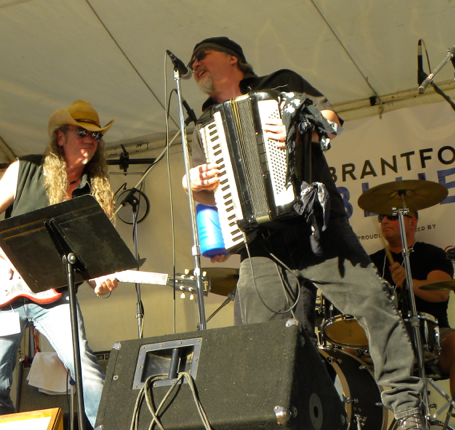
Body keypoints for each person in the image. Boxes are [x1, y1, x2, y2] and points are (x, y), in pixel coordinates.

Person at [183, 37, 427, 430]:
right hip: (260, 245)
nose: (194, 64)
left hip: (315, 226)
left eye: (201, 56)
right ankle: (316, 420)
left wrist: (298, 127)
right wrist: (192, 183)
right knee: (266, 342)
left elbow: (330, 119)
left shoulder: (280, 84)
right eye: (192, 61)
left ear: (232, 58)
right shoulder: (202, 126)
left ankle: (407, 410)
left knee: (374, 300)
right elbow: (205, 193)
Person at [0, 100, 119, 426]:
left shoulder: (92, 194)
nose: (90, 140)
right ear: (60, 137)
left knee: (87, 373)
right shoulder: (25, 169)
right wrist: (12, 256)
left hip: (54, 296)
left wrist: (101, 279)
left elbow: (93, 260)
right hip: (4, 290)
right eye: (81, 132)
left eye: (95, 135)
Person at [370, 211, 455, 429]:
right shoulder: (372, 263)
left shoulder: (433, 254)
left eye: (391, 216)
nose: (384, 221)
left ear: (412, 222)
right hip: (387, 336)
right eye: (381, 218)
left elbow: (440, 292)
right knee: (348, 353)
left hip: (432, 335)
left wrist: (408, 281)